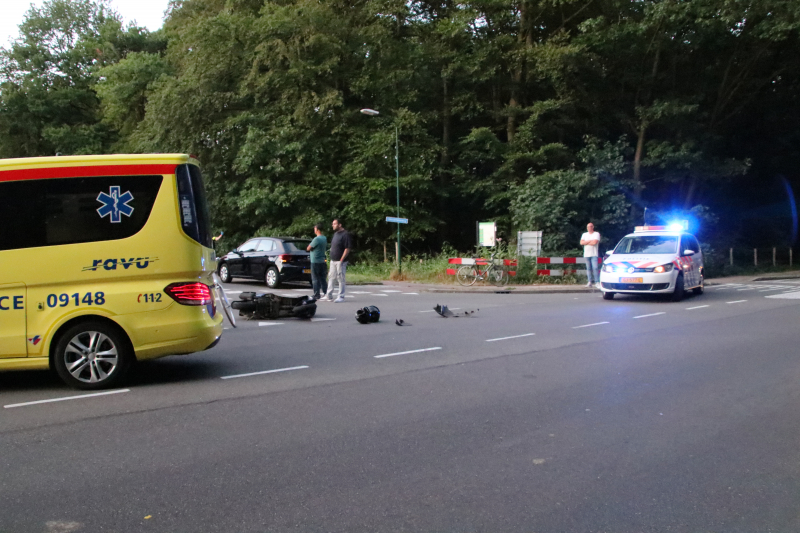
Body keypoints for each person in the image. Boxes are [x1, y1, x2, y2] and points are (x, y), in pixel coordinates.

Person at [320, 218, 353, 303]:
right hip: (333, 260)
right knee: (331, 277)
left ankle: (341, 296)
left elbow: (347, 248)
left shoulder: (345, 234)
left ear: (340, 225)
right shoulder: (336, 234)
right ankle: (329, 295)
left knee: (340, 278)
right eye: (332, 224)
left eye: (334, 224)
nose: (333, 225)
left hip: (340, 261)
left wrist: (342, 259)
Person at [306, 223, 328, 300]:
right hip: (322, 260)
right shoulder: (324, 238)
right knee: (322, 278)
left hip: (315, 261)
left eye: (315, 229)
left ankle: (316, 294)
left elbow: (308, 248)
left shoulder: (316, 239)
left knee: (315, 278)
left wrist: (311, 248)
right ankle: (326, 293)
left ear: (317, 230)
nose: (314, 230)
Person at [580, 222, 601, 287]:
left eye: (590, 226)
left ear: (593, 227)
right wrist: (590, 241)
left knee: (595, 268)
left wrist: (586, 242)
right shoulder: (584, 234)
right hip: (586, 254)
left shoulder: (596, 234)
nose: (589, 228)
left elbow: (594, 242)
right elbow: (581, 243)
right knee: (588, 268)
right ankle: (589, 282)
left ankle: (597, 282)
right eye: (588, 227)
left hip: (594, 254)